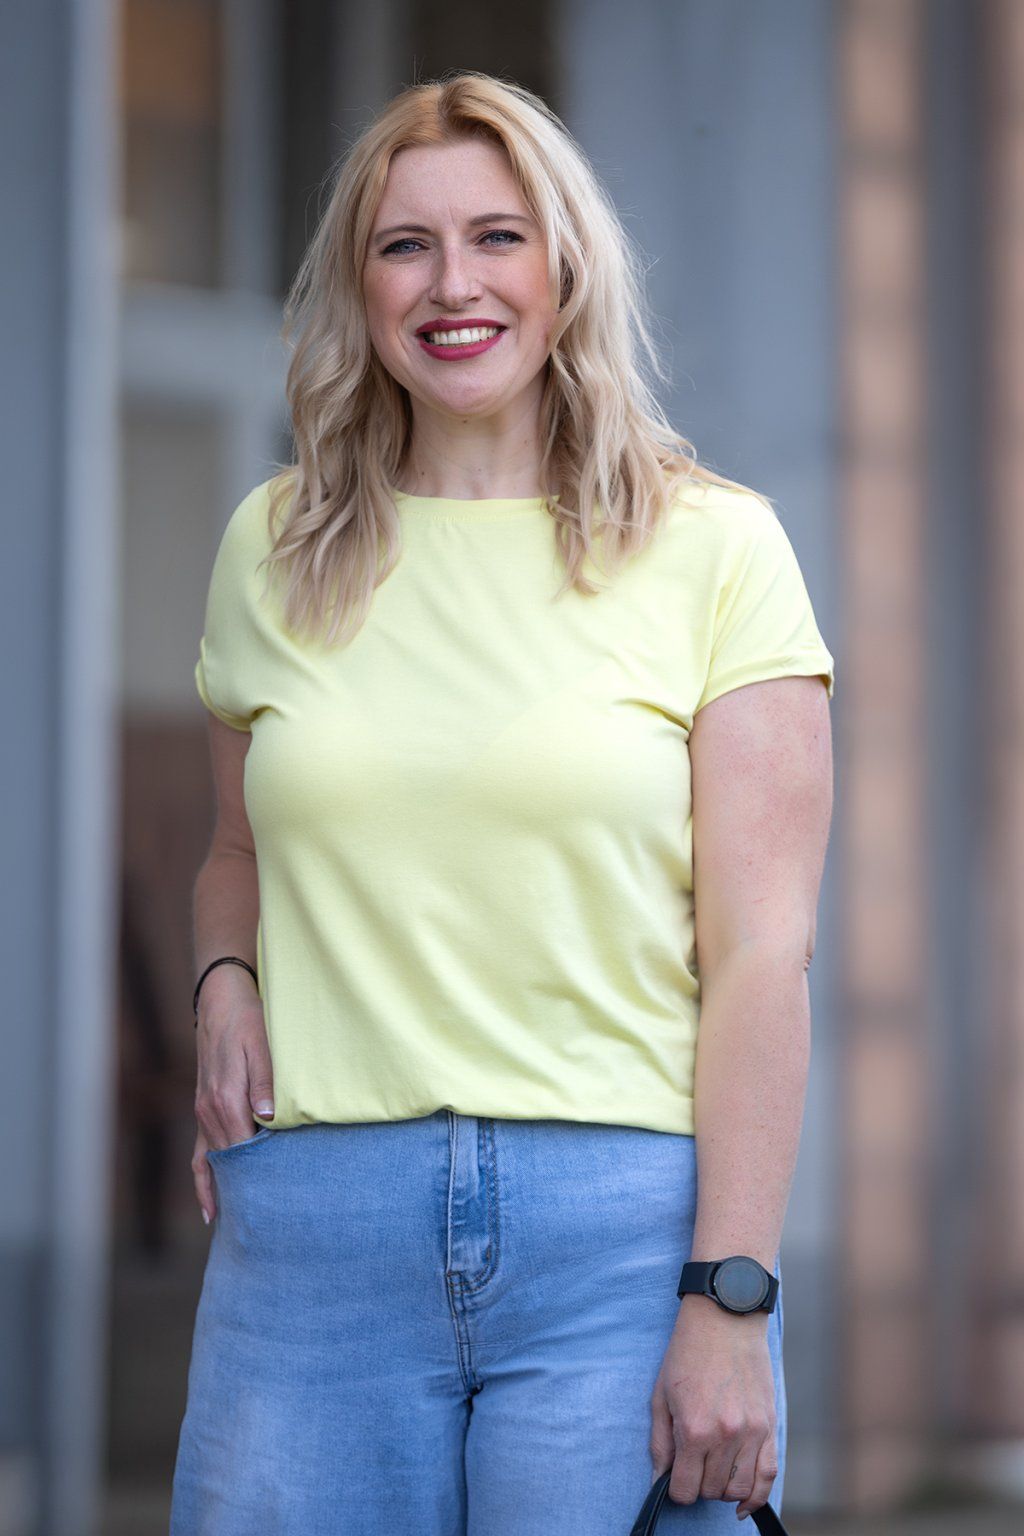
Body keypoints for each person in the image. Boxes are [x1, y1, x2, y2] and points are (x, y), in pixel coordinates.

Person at [169, 70, 835, 1536]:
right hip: (315, 1248)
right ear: (360, 285)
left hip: (622, 1246)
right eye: (405, 245)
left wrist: (730, 1297)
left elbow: (762, 957)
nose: (452, 284)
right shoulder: (272, 547)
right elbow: (234, 849)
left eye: (497, 237)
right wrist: (224, 975)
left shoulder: (716, 550)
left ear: (566, 269)